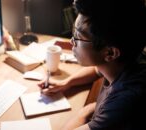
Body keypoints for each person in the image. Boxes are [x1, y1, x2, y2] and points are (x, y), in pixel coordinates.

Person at [38, 0, 146, 129]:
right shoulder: (125, 61)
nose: (72, 42)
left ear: (110, 53)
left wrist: (83, 113)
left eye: (78, 36)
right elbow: (96, 70)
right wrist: (66, 83)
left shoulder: (125, 102)